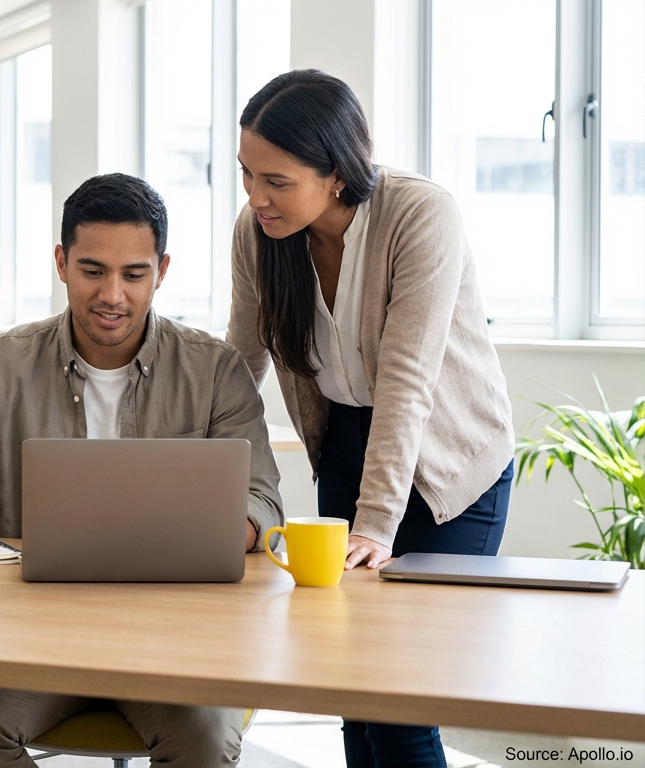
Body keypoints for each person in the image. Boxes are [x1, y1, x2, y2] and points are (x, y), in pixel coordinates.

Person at [0, 173, 283, 766]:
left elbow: (262, 500)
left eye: (134, 274)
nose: (113, 294)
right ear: (61, 262)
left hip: (177, 638)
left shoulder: (215, 371)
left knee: (205, 741)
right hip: (38, 635)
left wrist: (227, 527)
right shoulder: (0, 365)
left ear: (161, 270)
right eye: (92, 271)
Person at [227, 69, 516, 768]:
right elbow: (239, 365)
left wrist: (375, 525)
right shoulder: (260, 232)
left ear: (334, 172)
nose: (256, 198)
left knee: (400, 703)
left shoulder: (421, 215)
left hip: (451, 465)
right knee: (354, 699)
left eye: (276, 180)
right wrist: (195, 479)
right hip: (349, 446)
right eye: (246, 174)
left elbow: (409, 384)